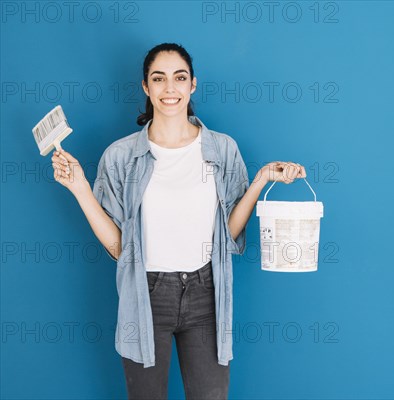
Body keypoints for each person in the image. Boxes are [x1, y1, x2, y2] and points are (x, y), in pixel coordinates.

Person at [50, 42, 306, 399]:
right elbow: (119, 248)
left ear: (192, 85)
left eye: (179, 78)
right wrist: (79, 189)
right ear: (146, 87)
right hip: (145, 294)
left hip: (206, 293)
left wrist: (262, 178)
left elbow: (228, 236)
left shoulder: (222, 150)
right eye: (159, 79)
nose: (170, 89)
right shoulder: (120, 157)